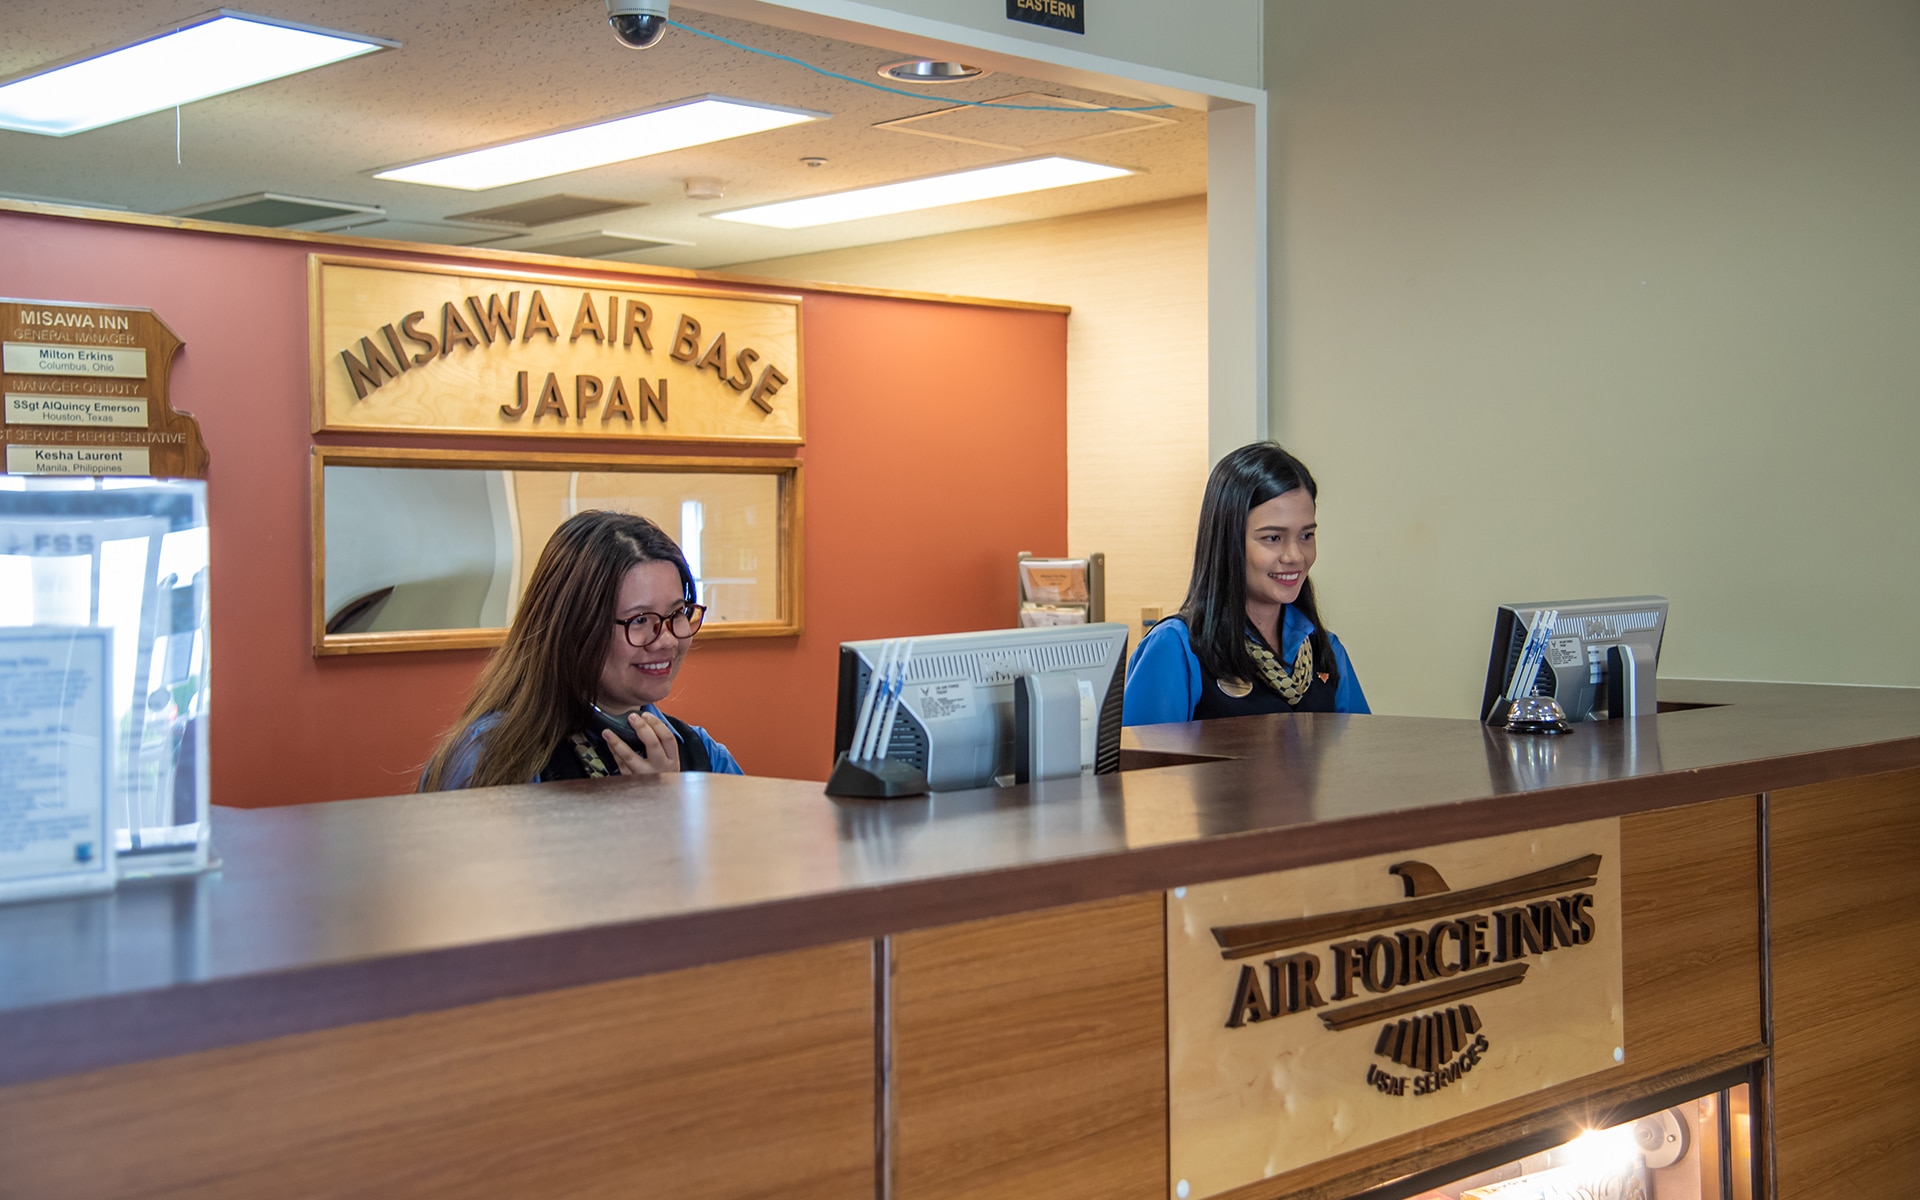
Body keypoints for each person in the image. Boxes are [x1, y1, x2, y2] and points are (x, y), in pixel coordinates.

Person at [419, 509, 741, 790]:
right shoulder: (492, 757)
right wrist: (649, 812)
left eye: (678, 613)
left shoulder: (705, 754)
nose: (668, 640)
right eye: (640, 619)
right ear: (573, 628)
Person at [1123, 442, 1369, 723]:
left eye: (1306, 536)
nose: (1295, 556)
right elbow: (1142, 752)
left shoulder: (1327, 651)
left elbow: (1361, 747)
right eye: (1273, 538)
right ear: (1228, 542)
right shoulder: (1176, 648)